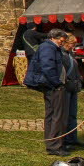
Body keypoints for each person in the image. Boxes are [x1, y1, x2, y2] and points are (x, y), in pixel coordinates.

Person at [24, 28, 70, 156]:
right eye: (62, 40)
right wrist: (57, 83)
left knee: (52, 115)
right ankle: (55, 145)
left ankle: (53, 143)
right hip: (53, 86)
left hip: (52, 85)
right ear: (54, 37)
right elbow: (47, 67)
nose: (63, 42)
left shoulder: (51, 47)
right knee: (56, 116)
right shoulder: (48, 48)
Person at [62, 35, 84, 149]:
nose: (74, 46)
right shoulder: (61, 54)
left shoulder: (70, 54)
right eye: (73, 44)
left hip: (73, 86)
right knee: (65, 114)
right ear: (67, 42)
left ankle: (73, 138)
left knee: (72, 114)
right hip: (65, 87)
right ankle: (66, 140)